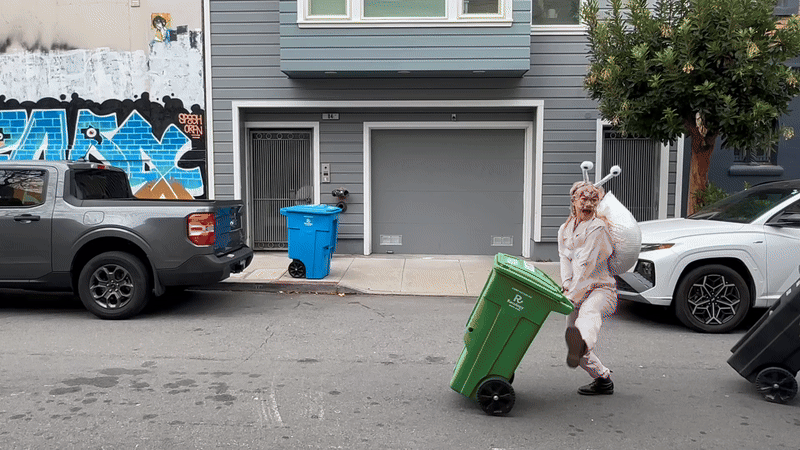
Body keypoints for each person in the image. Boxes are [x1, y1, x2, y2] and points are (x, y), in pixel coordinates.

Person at [558, 181, 617, 395]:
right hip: (576, 290)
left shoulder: (598, 228)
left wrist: (571, 296)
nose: (588, 204)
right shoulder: (565, 229)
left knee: (588, 317)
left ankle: (582, 342)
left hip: (600, 289)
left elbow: (587, 265)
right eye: (584, 199)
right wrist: (566, 285)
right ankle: (603, 379)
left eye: (593, 200)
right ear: (574, 201)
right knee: (575, 346)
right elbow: (565, 258)